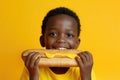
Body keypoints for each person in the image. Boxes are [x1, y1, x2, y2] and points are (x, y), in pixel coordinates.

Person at [20, 7, 96, 80]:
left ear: (77, 43)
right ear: (43, 40)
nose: (61, 40)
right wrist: (33, 76)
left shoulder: (84, 68)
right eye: (53, 34)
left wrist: (86, 76)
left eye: (69, 35)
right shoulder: (32, 67)